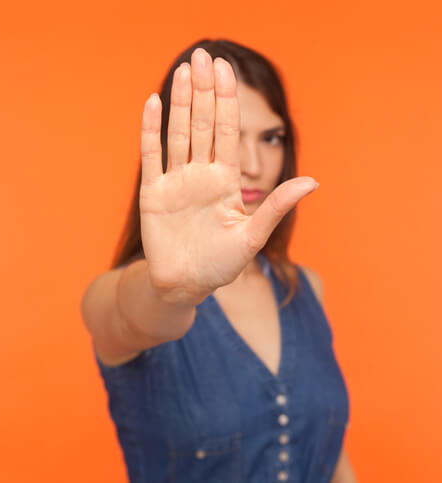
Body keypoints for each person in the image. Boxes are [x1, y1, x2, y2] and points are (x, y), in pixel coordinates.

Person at [81, 39, 356, 483]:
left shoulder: (306, 288)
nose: (252, 164)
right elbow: (129, 314)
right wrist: (169, 290)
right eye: (230, 138)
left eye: (271, 137)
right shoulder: (121, 298)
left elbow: (331, 456)